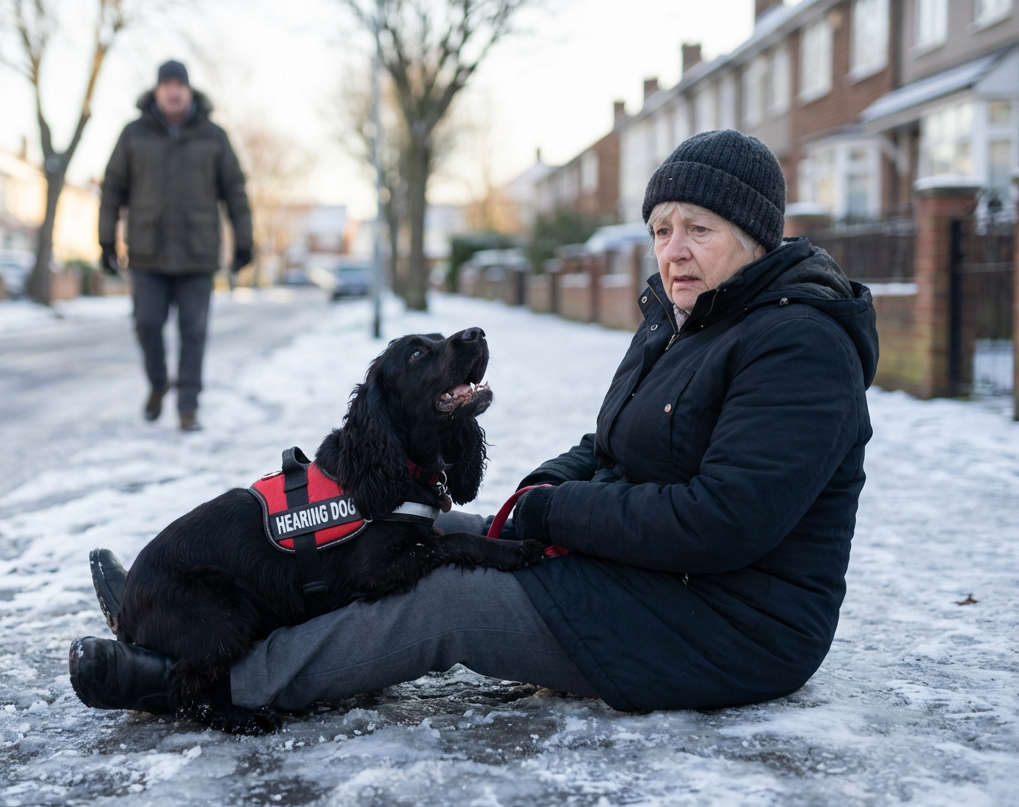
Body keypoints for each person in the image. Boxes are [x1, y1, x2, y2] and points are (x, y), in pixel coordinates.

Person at [77, 129, 878, 717]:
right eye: (661, 230)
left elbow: (723, 522)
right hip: (653, 577)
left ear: (756, 237)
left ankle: (196, 681)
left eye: (698, 229)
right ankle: (169, 608)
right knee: (407, 526)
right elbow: (610, 444)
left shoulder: (798, 345)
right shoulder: (684, 319)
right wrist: (540, 488)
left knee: (444, 598)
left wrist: (555, 512)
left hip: (725, 625)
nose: (673, 252)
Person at [99, 60, 253, 432]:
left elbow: (235, 192)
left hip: (197, 254)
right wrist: (106, 241)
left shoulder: (213, 136)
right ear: (156, 91)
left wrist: (245, 242)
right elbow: (111, 190)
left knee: (194, 333)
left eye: (178, 84)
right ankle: (157, 383)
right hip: (148, 252)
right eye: (166, 84)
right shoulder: (133, 134)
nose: (173, 90)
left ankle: (188, 406)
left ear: (189, 90)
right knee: (147, 324)